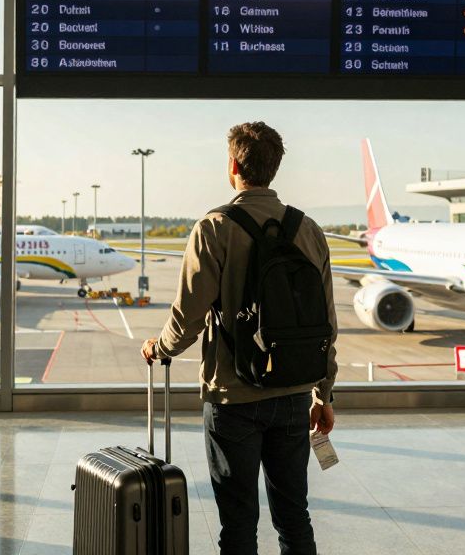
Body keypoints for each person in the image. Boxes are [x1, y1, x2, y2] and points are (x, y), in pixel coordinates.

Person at [141, 121, 337, 555]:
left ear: (233, 165)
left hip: (233, 398)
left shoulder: (214, 228)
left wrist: (160, 348)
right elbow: (326, 324)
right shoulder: (309, 230)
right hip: (293, 395)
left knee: (238, 523)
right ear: (275, 168)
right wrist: (324, 394)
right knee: (294, 517)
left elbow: (188, 317)